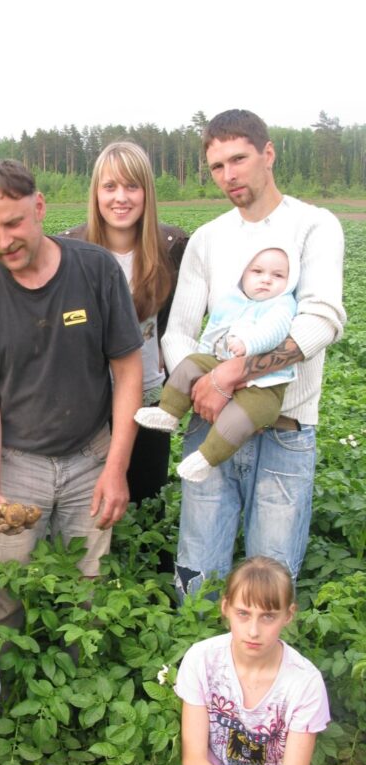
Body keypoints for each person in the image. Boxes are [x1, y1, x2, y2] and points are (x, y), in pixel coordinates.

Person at [0, 160, 143, 630]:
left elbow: (129, 373)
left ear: (39, 207)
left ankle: (80, 691)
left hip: (89, 458)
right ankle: (0, 699)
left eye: (12, 222)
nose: (4, 240)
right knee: (6, 596)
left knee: (87, 596)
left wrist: (116, 470)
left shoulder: (95, 270)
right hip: (17, 465)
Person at [162, 110, 346, 598]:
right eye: (218, 166)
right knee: (196, 571)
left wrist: (235, 374)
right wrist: (205, 383)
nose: (229, 175)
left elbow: (319, 322)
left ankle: (265, 672)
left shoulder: (314, 226)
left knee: (272, 578)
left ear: (268, 154)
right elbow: (178, 331)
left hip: (285, 430)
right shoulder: (208, 239)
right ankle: (193, 664)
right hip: (209, 423)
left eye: (239, 159)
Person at [154, 556, 329, 765]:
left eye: (268, 617)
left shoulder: (304, 682)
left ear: (288, 615)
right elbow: (195, 760)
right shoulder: (202, 659)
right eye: (243, 613)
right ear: (225, 608)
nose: (253, 630)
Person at [63, 141, 188, 505]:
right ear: (96, 193)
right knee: (90, 509)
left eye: (132, 186)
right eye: (110, 187)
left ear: (147, 193)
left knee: (147, 501)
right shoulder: (72, 249)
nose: (121, 198)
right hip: (90, 404)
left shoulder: (170, 246)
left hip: (148, 397)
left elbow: (174, 318)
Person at [138, 244, 298, 483]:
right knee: (190, 365)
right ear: (242, 274)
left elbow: (274, 330)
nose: (266, 280)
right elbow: (211, 332)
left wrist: (248, 343)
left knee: (240, 418)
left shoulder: (281, 305)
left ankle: (205, 458)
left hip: (263, 386)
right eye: (257, 272)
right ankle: (168, 412)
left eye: (278, 276)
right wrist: (204, 375)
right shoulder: (232, 301)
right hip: (219, 363)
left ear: (290, 281)